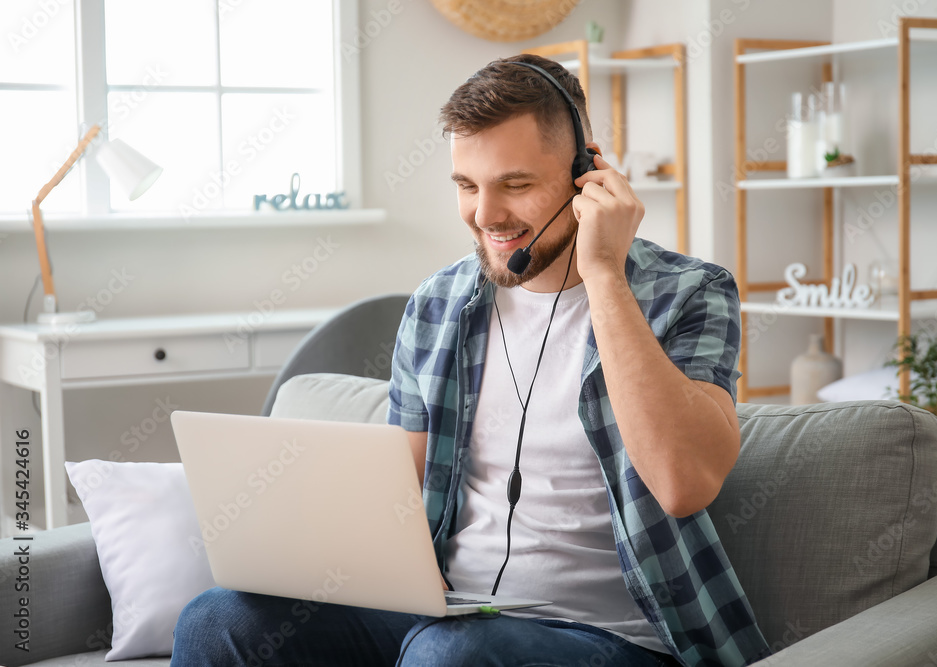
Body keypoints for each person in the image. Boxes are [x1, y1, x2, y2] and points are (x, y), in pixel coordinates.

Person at [172, 54, 770, 667]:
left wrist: (603, 276)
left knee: (450, 656)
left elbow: (683, 482)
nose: (485, 216)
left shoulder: (690, 292)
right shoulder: (438, 304)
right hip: (450, 616)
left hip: (616, 639)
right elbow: (401, 500)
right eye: (466, 186)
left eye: (515, 185)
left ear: (586, 174)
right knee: (218, 620)